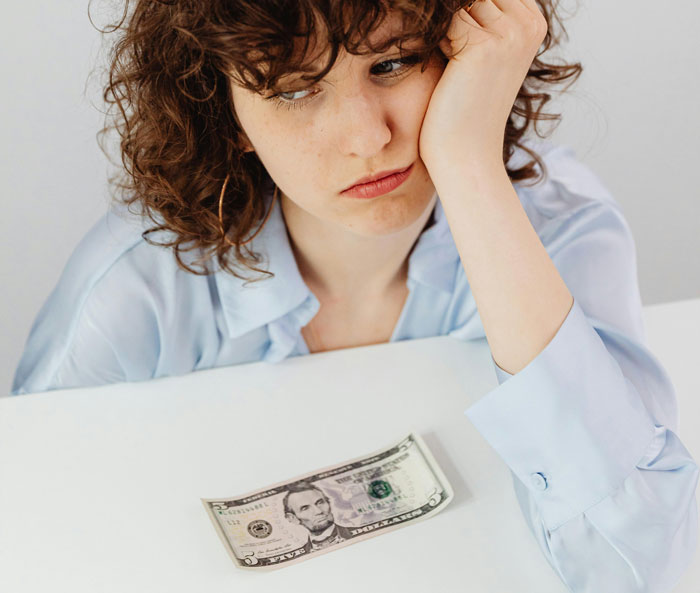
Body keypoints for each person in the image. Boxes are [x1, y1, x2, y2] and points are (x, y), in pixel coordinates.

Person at [11, 1, 698, 590]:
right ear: (226, 112)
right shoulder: (135, 292)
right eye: (292, 88)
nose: (369, 137)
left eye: (394, 63)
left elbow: (635, 562)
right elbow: (31, 543)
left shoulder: (558, 228)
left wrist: (467, 163)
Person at [282, 482, 354, 552]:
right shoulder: (303, 553)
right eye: (305, 508)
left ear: (328, 503)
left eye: (320, 503)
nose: (318, 511)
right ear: (293, 518)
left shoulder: (357, 534)